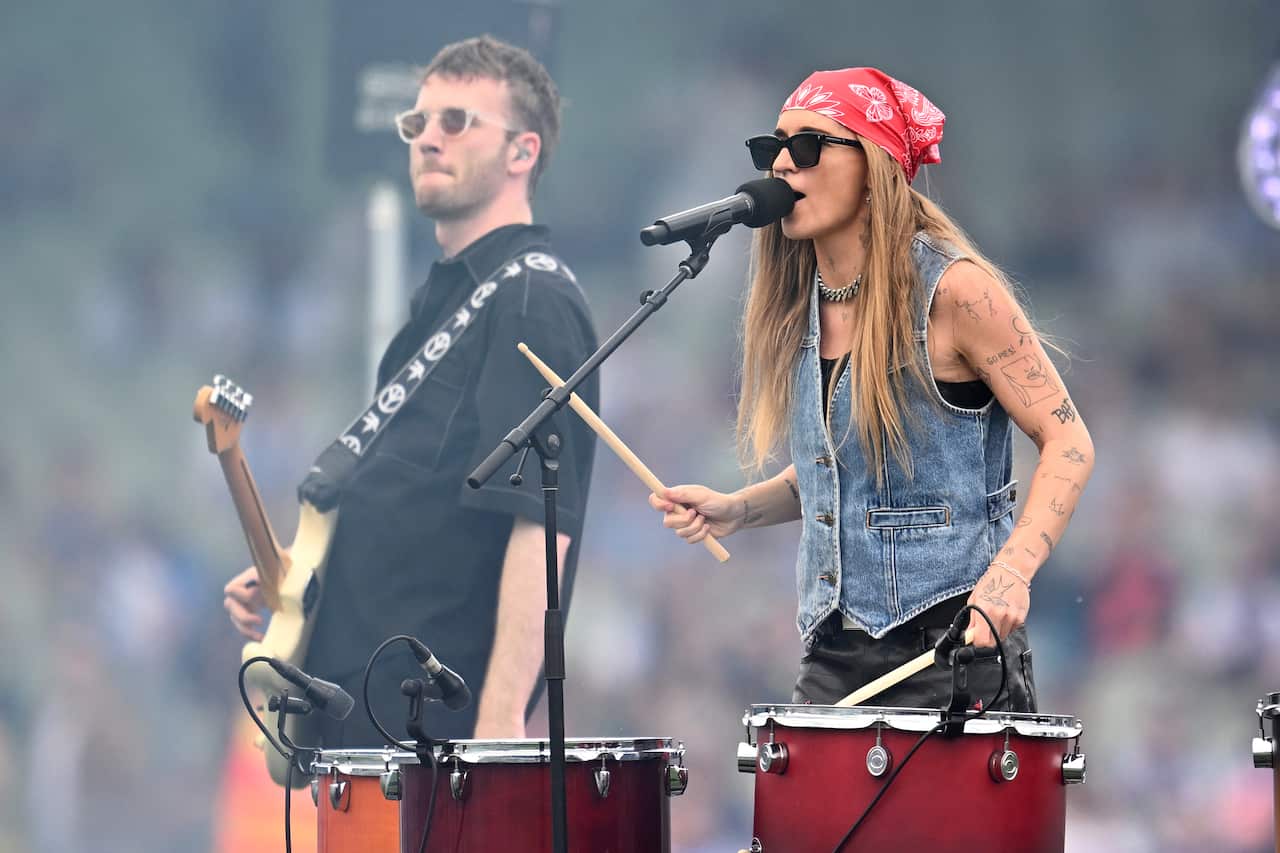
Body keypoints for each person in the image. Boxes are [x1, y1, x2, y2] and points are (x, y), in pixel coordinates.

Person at [650, 67, 1093, 711]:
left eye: (807, 147)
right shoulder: (799, 304)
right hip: (832, 651)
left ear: (874, 166)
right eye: (769, 148)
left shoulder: (956, 292)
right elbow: (849, 475)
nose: (780, 166)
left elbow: (1068, 440)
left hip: (955, 647)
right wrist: (738, 509)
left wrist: (1012, 575)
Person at [223, 35, 598, 746]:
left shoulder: (531, 298)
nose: (427, 138)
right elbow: (410, 505)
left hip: (437, 741)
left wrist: (498, 723)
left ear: (522, 153)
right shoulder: (445, 300)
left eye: (457, 122)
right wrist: (300, 581)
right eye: (416, 123)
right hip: (368, 730)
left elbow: (539, 525)